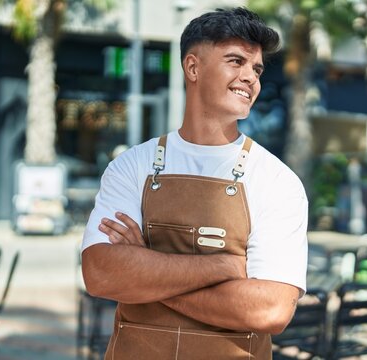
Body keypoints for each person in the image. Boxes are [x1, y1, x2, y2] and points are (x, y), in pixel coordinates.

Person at [80, 7, 308, 360]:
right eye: (236, 61)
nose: (251, 77)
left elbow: (270, 310)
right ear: (193, 67)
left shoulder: (278, 181)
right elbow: (100, 274)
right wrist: (225, 266)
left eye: (257, 68)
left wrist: (146, 270)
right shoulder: (131, 166)